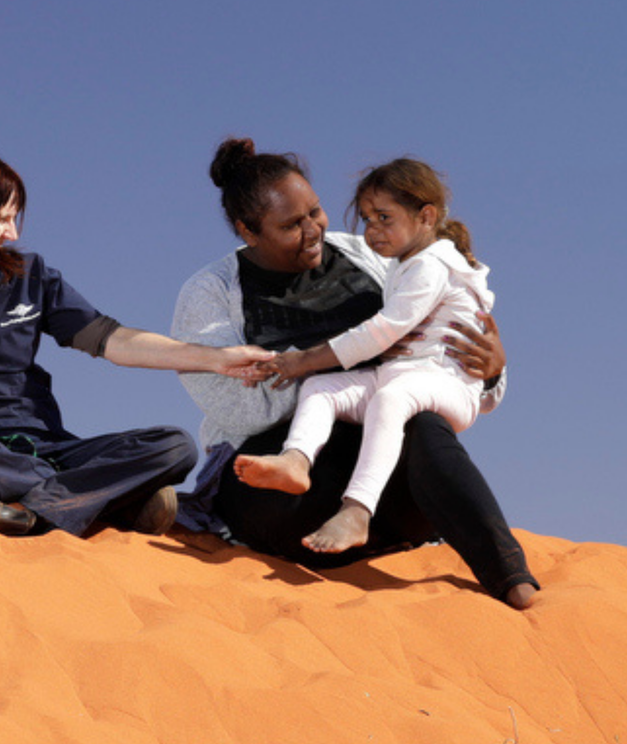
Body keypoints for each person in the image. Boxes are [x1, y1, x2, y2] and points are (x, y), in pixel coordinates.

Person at [173, 138, 537, 609]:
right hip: (284, 485)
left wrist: (490, 371)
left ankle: (510, 575)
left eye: (315, 212)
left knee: (424, 423)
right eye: (291, 225)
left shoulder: (372, 255)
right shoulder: (211, 293)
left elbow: (439, 363)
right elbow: (240, 409)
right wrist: (348, 359)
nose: (312, 230)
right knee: (384, 405)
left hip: (382, 460)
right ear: (248, 231)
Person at [0, 148, 271, 538]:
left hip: (48, 447)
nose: (11, 233)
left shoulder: (31, 277)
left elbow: (112, 340)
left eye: (15, 218)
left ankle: (21, 513)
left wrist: (215, 359)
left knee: (175, 446)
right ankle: (101, 502)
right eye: (1, 219)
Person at [235, 159, 498, 556]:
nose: (372, 230)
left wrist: (301, 360)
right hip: (402, 375)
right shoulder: (403, 262)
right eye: (367, 219)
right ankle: (296, 460)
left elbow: (381, 331)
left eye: (384, 218)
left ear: (426, 217)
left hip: (447, 384)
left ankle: (357, 510)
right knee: (323, 388)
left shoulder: (432, 264)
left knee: (389, 399)